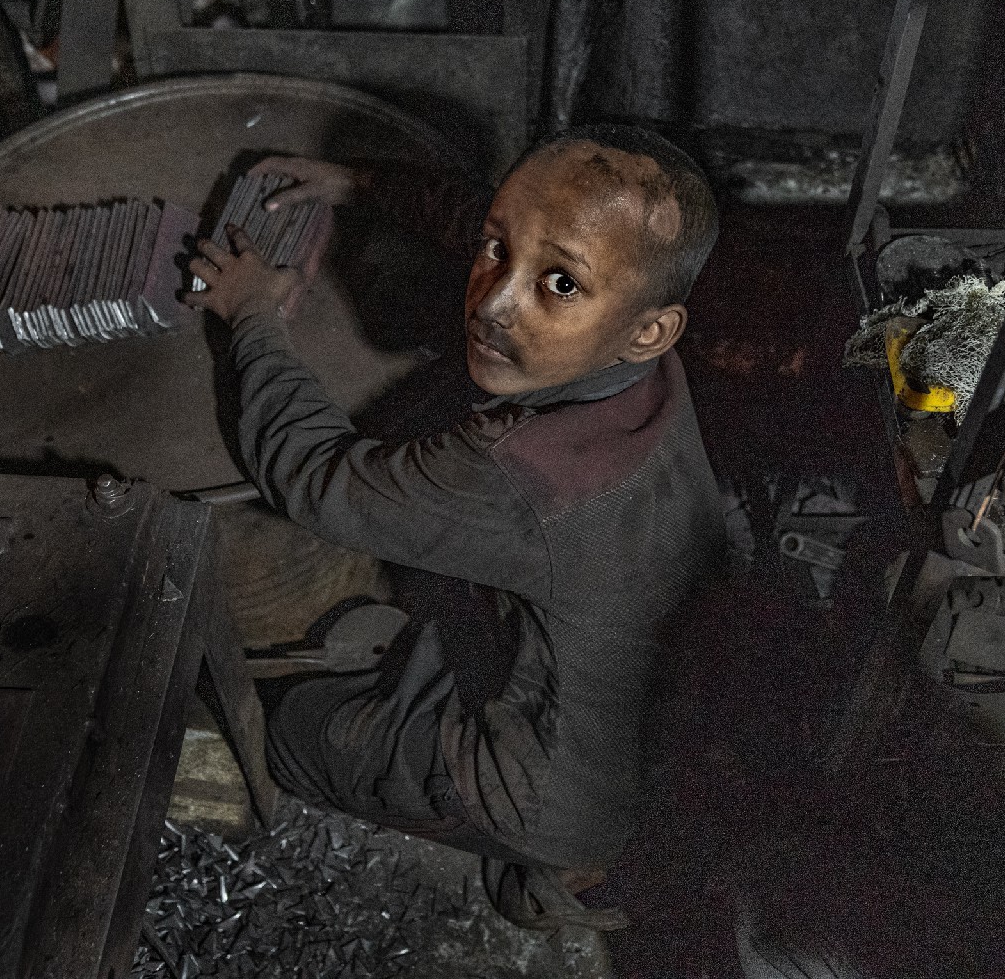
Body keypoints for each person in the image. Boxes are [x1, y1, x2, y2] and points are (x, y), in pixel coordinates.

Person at [183, 123, 725, 928]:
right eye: (496, 252)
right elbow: (500, 218)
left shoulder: (522, 474)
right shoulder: (636, 352)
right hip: (642, 706)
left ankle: (551, 868)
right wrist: (356, 183)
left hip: (548, 794)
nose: (493, 304)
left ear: (652, 328)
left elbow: (311, 474)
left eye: (559, 285)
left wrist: (253, 312)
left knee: (291, 732)